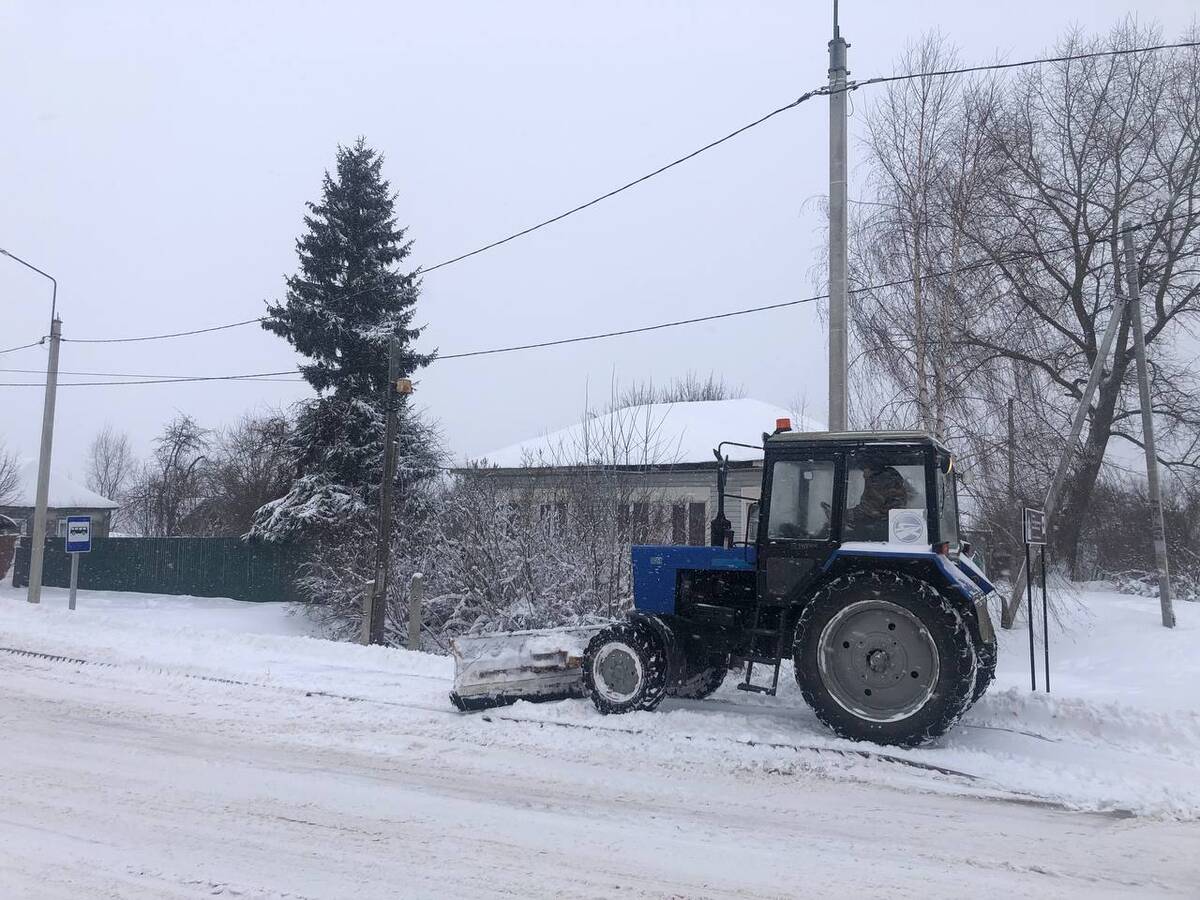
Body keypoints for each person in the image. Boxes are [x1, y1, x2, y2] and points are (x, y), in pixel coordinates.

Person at [845, 458, 909, 541]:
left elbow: (872, 509)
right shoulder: (882, 482)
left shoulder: (882, 482)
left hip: (882, 534)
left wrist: (846, 516)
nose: (864, 474)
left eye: (865, 470)